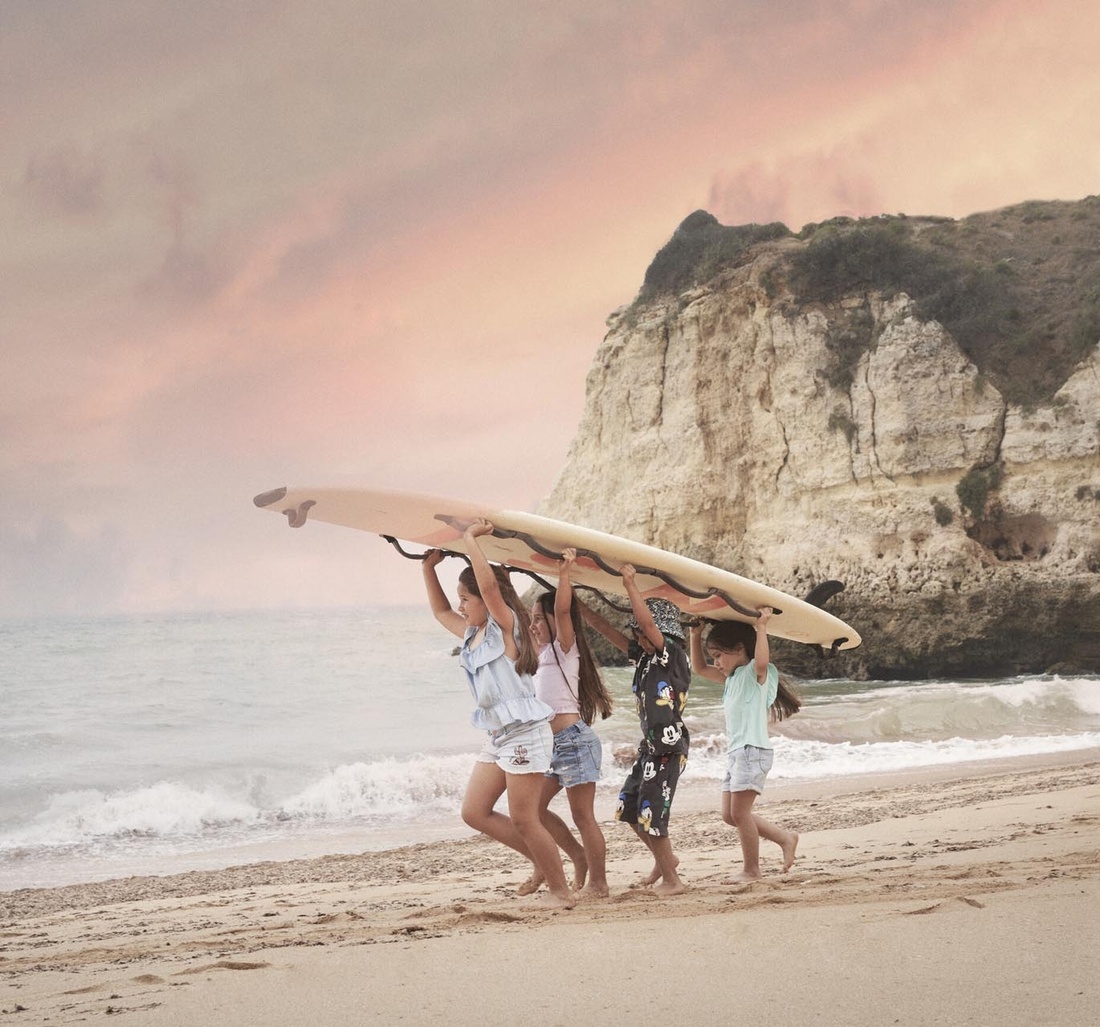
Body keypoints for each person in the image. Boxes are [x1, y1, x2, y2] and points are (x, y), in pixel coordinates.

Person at [420, 518, 575, 908]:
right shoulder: (471, 636)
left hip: (526, 734)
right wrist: (428, 569)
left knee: (524, 818)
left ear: (486, 603)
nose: (461, 604)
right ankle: (541, 864)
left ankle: (561, 891)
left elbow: (489, 587)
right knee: (474, 812)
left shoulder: (505, 628)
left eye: (466, 598)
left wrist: (472, 541)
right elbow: (440, 612)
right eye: (461, 598)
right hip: (499, 736)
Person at [582, 566, 690, 896]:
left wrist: (630, 585)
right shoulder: (644, 657)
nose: (638, 638)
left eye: (643, 634)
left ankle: (673, 881)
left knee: (652, 814)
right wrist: (576, 603)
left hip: (669, 748)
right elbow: (605, 629)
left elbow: (647, 624)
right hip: (650, 748)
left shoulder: (670, 655)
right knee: (630, 808)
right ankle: (665, 860)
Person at [517, 547, 614, 899]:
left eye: (539, 619)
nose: (534, 624)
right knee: (534, 812)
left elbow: (561, 607)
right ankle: (577, 857)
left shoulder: (564, 649)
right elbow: (513, 621)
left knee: (582, 816)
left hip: (573, 741)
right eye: (533, 619)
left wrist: (564, 572)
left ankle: (600, 884)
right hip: (551, 746)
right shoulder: (541, 655)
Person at [689, 611, 801, 882]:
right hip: (738, 753)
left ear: (739, 649)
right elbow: (699, 669)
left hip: (753, 751)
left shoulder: (754, 674)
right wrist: (695, 635)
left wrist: (761, 627)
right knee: (729, 815)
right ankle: (785, 838)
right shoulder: (731, 679)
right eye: (713, 656)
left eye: (718, 655)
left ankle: (752, 870)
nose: (715, 662)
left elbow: (762, 660)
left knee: (740, 813)